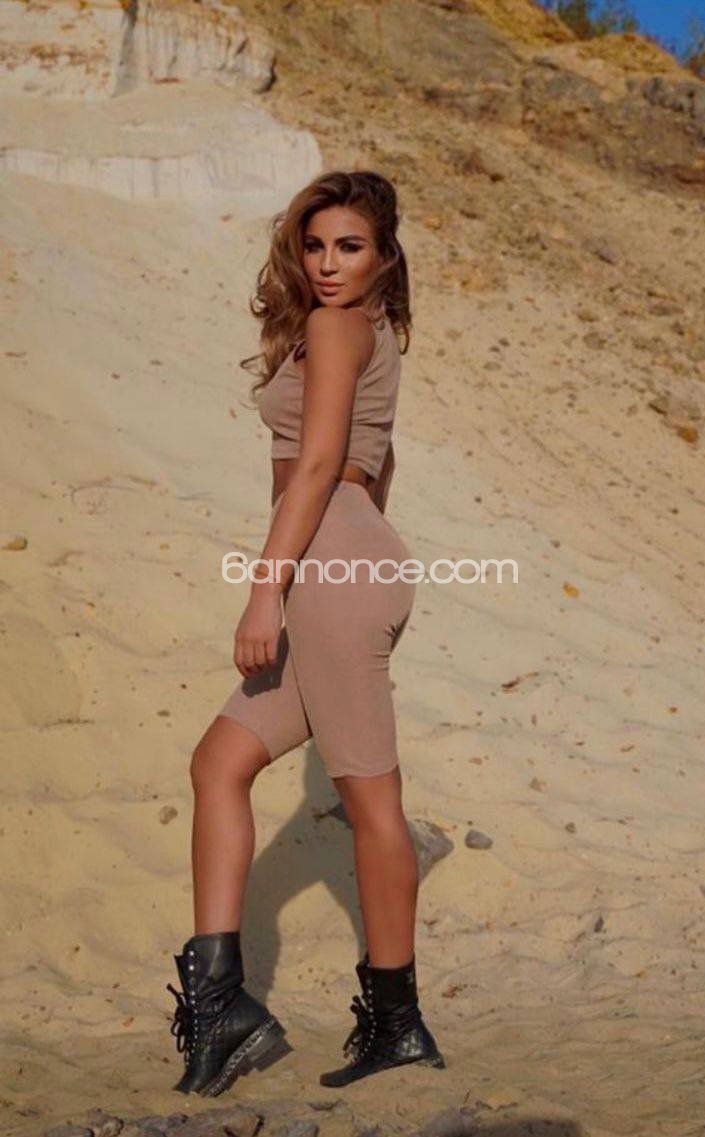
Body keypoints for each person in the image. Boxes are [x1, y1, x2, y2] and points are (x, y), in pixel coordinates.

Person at [166, 171, 446, 1096]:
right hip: (339, 561)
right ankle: (222, 1006)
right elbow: (374, 459)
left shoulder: (336, 326)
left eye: (349, 247)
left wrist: (267, 591)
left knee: (372, 803)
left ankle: (396, 1023)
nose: (328, 264)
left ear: (384, 256)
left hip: (330, 565)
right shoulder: (367, 330)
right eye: (315, 245)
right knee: (219, 762)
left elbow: (321, 463)